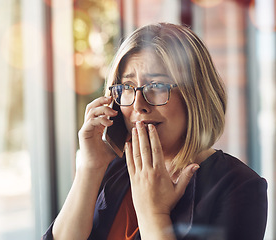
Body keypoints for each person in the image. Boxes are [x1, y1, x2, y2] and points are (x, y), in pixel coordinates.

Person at [42, 23, 268, 240]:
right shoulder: (115, 169)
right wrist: (90, 168)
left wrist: (154, 215)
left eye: (157, 86)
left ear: (195, 96)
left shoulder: (239, 186)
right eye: (128, 88)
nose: (138, 104)